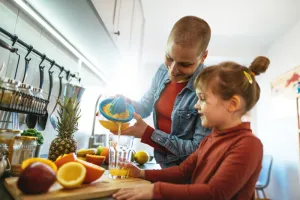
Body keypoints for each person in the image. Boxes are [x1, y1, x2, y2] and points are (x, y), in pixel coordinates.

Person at [113, 56, 271, 200]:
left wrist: (156, 190)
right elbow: (183, 172)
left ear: (233, 104)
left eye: (202, 98)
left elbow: (215, 193)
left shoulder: (249, 146)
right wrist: (141, 173)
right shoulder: (210, 138)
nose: (196, 106)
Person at [122, 16, 212, 168]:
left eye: (184, 64)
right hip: (163, 165)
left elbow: (197, 148)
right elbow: (144, 107)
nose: (173, 70)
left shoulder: (209, 88)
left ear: (203, 57)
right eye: (169, 58)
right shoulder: (162, 71)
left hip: (189, 172)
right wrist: (127, 104)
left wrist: (149, 134)